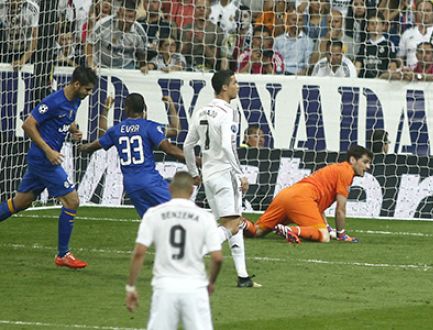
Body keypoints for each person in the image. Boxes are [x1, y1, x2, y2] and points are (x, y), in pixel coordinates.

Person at [0, 66, 97, 269]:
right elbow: (28, 125)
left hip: (43, 160)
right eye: (87, 89)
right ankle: (63, 254)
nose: (89, 94)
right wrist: (48, 150)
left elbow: (65, 119)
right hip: (44, 159)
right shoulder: (53, 102)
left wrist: (73, 130)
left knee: (21, 202)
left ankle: (63, 254)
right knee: (72, 201)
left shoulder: (75, 100)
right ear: (76, 84)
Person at [183, 70, 257, 288]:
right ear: (224, 87)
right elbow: (227, 146)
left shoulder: (201, 111)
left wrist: (194, 174)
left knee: (232, 223)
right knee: (233, 225)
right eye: (234, 82)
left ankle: (243, 276)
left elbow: (188, 146)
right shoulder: (229, 113)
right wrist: (240, 173)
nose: (238, 86)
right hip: (225, 175)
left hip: (208, 177)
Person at [125, 171, 223, 330]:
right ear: (192, 191)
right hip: (195, 286)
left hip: (165, 287)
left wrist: (130, 287)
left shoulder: (154, 214)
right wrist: (210, 282)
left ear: (170, 188)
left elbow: (139, 253)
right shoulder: (205, 217)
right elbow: (217, 258)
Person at [78, 93, 186, 218]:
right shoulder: (150, 127)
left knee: (152, 222)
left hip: (131, 186)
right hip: (150, 181)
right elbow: (176, 129)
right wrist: (171, 105)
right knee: (181, 209)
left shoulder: (117, 130)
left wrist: (105, 110)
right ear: (144, 108)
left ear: (126, 108)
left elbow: (100, 138)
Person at [243, 144, 373, 244]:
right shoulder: (347, 172)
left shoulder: (335, 168)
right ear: (352, 160)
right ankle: (291, 230)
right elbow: (340, 209)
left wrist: (327, 226)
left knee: (257, 231)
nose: (368, 167)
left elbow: (317, 207)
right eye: (365, 162)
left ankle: (240, 223)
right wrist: (342, 235)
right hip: (302, 199)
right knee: (323, 236)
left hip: (286, 195)